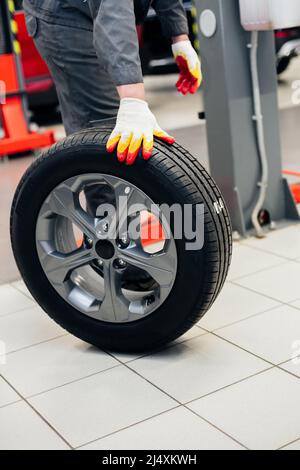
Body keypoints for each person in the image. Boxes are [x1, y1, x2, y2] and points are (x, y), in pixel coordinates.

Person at [23, 0, 202, 165]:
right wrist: (133, 100)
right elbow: (112, 7)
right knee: (108, 136)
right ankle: (106, 199)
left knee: (126, 138)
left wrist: (179, 37)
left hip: (104, 9)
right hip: (67, 16)